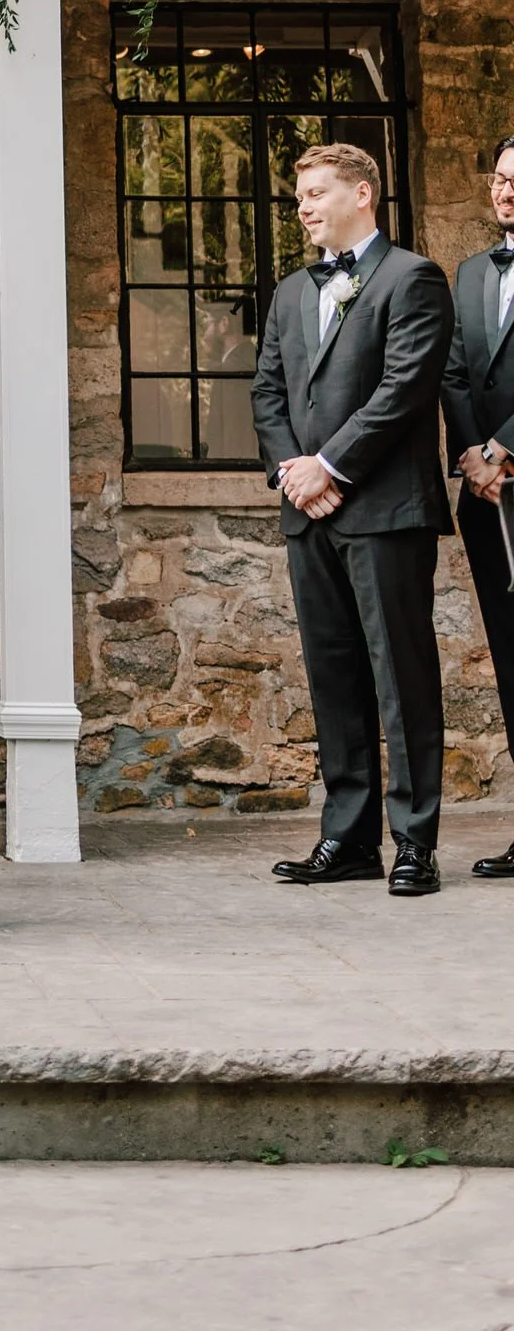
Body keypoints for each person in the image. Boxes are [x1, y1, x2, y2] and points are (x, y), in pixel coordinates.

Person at [252, 141, 454, 897]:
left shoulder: (413, 279)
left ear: (363, 193)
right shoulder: (291, 292)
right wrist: (290, 474)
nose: (302, 206)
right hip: (309, 513)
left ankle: (414, 842)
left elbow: (403, 390)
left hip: (384, 510)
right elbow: (266, 394)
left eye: (316, 192)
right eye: (299, 194)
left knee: (402, 676)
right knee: (333, 676)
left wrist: (327, 466)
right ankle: (348, 837)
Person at [440, 131, 514, 878]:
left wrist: (507, 449)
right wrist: (474, 456)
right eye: (499, 178)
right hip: (488, 497)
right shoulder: (468, 274)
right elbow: (453, 372)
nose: (506, 191)